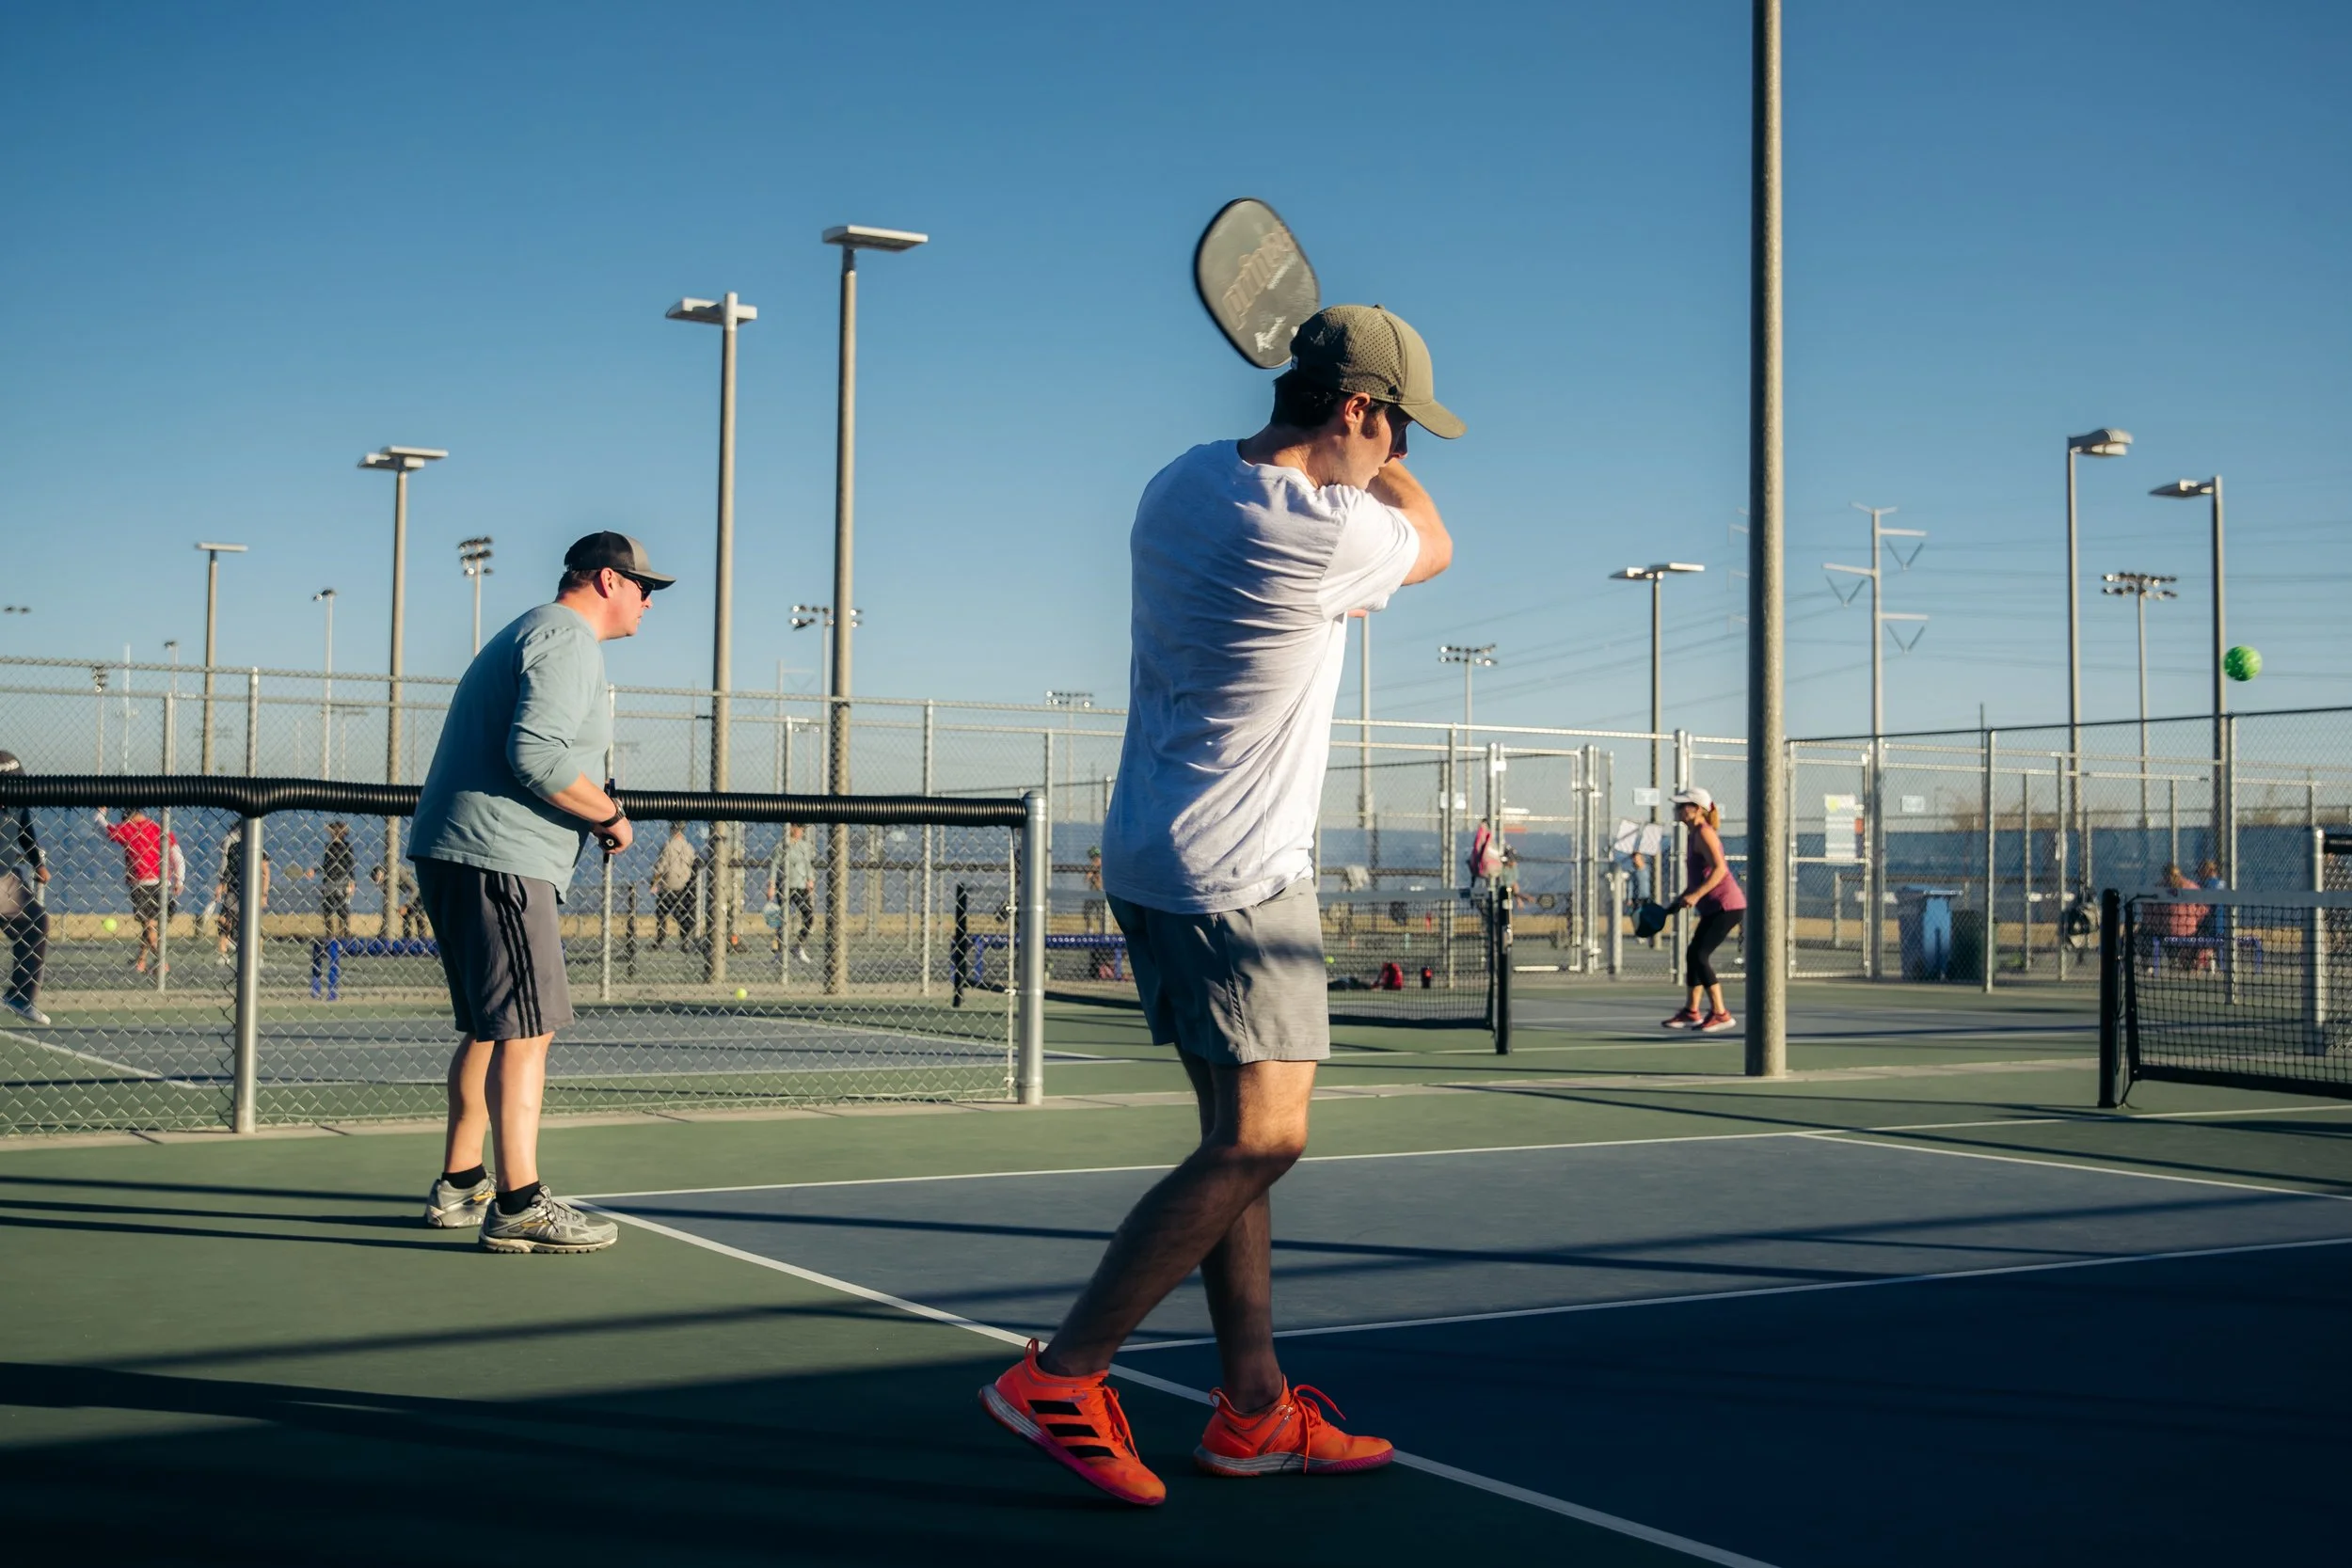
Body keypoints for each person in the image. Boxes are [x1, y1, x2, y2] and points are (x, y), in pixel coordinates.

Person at [982, 304, 1459, 1505]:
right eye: (1398, 421)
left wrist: (1361, 435)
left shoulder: (1180, 482)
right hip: (1244, 872)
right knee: (1267, 1137)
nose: (1405, 446)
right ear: (1357, 409)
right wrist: (1387, 463)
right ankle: (1066, 1370)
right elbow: (1437, 543)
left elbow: (1347, 487)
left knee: (1230, 1143)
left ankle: (1251, 1407)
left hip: (1148, 854)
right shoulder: (1328, 531)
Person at [407, 531, 670, 1254]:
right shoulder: (567, 640)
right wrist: (610, 814)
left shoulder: (533, 631)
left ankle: (463, 1184)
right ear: (609, 581)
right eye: (645, 587)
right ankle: (520, 1202)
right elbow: (536, 754)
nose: (651, 601)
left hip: (459, 848)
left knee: (496, 1024)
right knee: (527, 1027)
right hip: (501, 855)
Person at [1660, 785, 1744, 1034]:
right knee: (1692, 954)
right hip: (1713, 905)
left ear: (1696, 809)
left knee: (1700, 955)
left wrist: (1695, 895)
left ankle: (1721, 1013)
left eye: (1681, 805)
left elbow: (1720, 870)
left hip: (1726, 905)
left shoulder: (1704, 833)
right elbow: (1700, 876)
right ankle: (1691, 1011)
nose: (1676, 810)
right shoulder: (1694, 833)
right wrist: (1684, 897)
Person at [0, 751, 51, 1025]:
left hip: (4, 880)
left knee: (36, 923)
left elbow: (25, 830)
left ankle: (20, 995)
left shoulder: (17, 804)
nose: (16, 790)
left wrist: (37, 863)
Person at [97, 805, 179, 974]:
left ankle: (162, 963)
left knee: (150, 927)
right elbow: (176, 854)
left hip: (141, 886)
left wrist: (101, 811)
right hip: (162, 884)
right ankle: (141, 962)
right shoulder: (159, 828)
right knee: (151, 927)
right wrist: (179, 878)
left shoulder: (128, 828)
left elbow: (102, 825)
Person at [214, 832, 272, 966]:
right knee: (224, 919)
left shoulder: (259, 850)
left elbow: (266, 872)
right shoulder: (234, 848)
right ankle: (223, 953)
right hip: (234, 889)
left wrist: (264, 894)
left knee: (253, 923)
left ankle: (257, 956)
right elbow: (229, 870)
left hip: (252, 891)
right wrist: (221, 885)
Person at [767, 821, 815, 962]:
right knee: (783, 919)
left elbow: (807, 864)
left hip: (800, 886)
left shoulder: (804, 846)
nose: (801, 831)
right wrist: (771, 886)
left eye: (802, 829)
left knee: (809, 916)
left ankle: (798, 946)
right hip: (785, 886)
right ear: (791, 828)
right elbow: (774, 865)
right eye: (798, 828)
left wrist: (810, 880)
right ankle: (780, 952)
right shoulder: (783, 846)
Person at [650, 822, 696, 951]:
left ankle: (661, 940)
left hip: (668, 885)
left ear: (672, 830)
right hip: (684, 886)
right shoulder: (689, 847)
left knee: (661, 913)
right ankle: (686, 940)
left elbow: (661, 867)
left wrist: (654, 883)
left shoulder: (668, 846)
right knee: (682, 915)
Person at [317, 821, 357, 942]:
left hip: (342, 881)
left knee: (342, 908)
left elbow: (351, 866)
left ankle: (344, 933)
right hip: (329, 881)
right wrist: (315, 870)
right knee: (327, 908)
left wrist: (352, 882)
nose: (332, 834)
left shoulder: (347, 847)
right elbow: (326, 865)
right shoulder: (328, 846)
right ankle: (329, 934)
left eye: (334, 831)